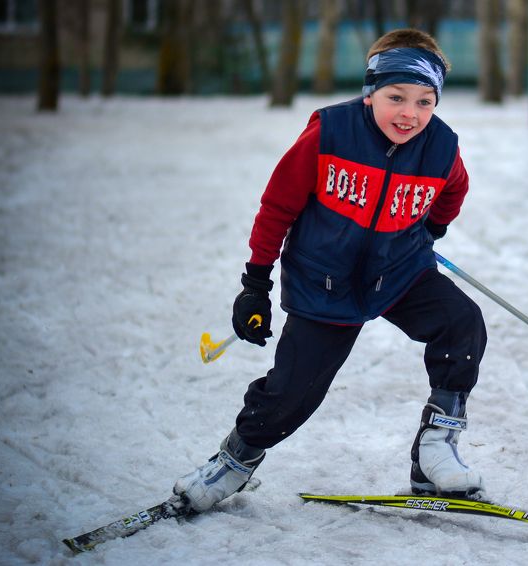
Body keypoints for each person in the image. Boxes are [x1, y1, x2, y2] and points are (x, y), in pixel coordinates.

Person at [172, 29, 487, 513]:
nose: (410, 113)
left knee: (461, 323)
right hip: (326, 281)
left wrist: (431, 228)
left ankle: (435, 451)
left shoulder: (441, 146)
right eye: (396, 97)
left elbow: (454, 188)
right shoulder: (329, 134)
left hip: (399, 268)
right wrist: (255, 284)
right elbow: (277, 207)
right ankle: (234, 462)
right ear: (370, 92)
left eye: (425, 101)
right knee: (292, 393)